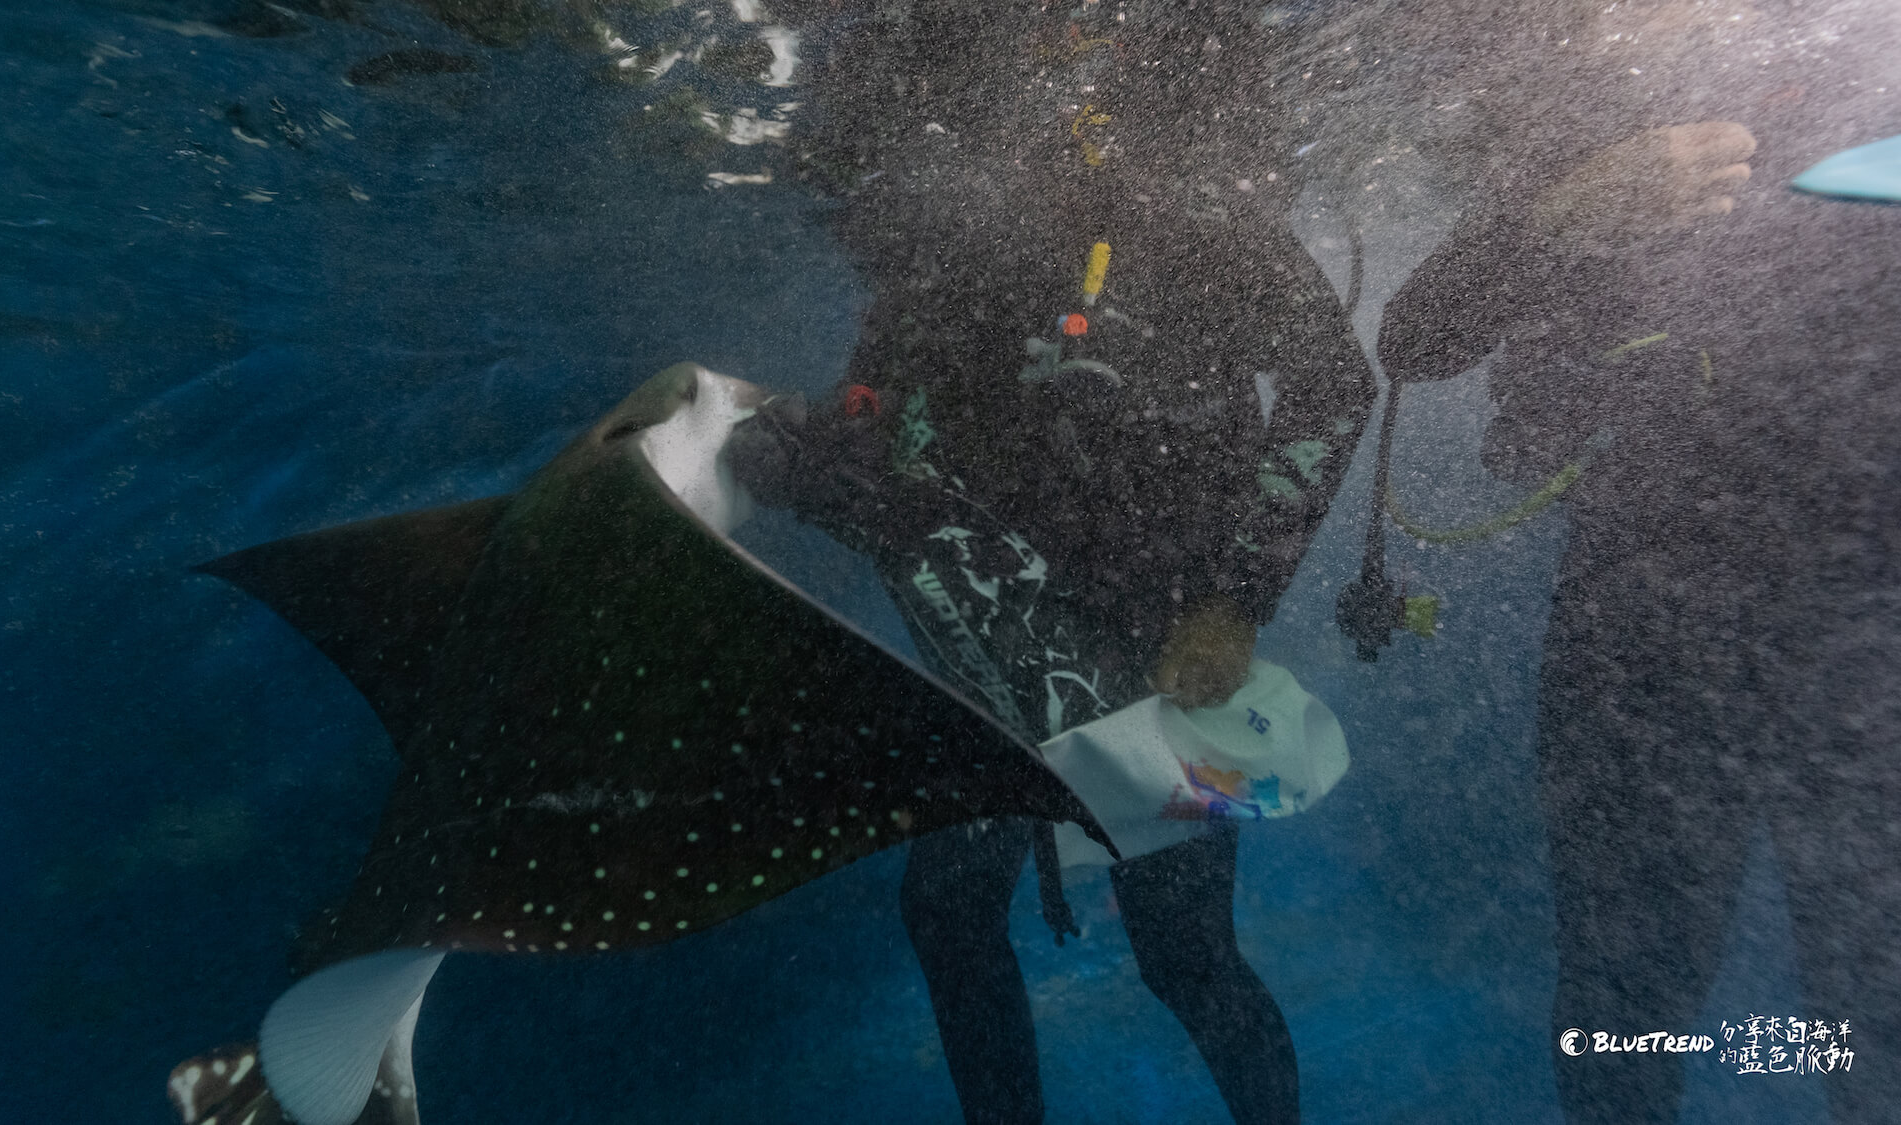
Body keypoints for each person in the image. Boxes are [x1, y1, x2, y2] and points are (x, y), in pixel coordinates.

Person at [724, 3, 1377, 1121]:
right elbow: (879, 417)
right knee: (948, 913)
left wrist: (1231, 600)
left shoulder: (1206, 228)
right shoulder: (944, 252)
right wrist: (798, 450)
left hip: (1152, 646)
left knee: (1183, 956)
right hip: (991, 652)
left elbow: (1333, 389)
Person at [1376, 3, 1901, 1121]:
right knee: (1626, 999)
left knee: (1864, 1003)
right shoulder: (1577, 128)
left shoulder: (1866, 71)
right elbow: (1412, 343)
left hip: (1863, 624)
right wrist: (1554, 218)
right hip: (1640, 634)